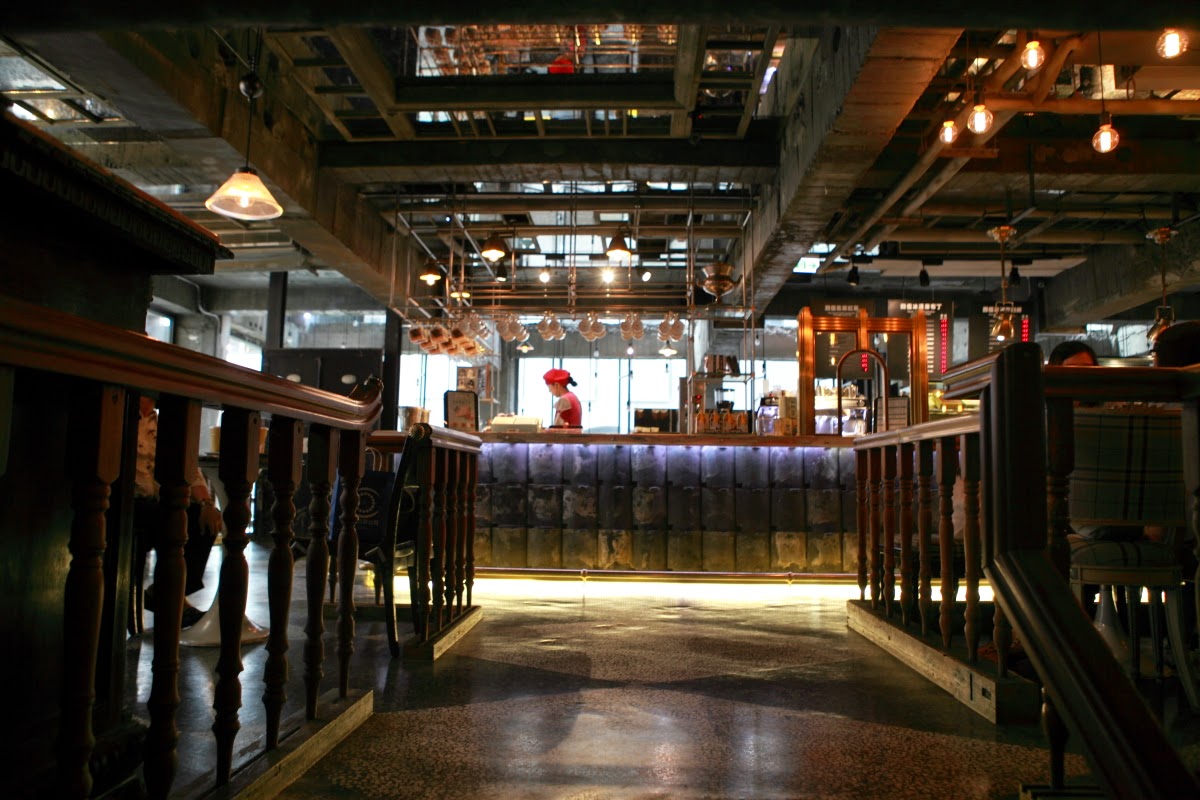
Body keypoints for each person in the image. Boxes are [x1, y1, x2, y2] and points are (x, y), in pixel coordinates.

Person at [134, 395, 223, 629]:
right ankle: (172, 600)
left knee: (202, 522)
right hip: (126, 503)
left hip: (157, 503)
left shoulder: (162, 423)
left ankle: (168, 593)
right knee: (170, 519)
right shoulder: (120, 413)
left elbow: (188, 467)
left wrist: (206, 504)